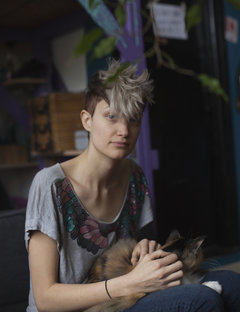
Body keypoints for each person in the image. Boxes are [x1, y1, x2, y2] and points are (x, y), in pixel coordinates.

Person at [25, 59, 240, 312]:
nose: (124, 130)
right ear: (87, 120)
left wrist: (145, 249)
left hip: (125, 298)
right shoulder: (50, 184)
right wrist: (127, 283)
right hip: (80, 308)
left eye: (134, 119)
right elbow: (45, 299)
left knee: (232, 283)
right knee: (203, 299)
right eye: (111, 116)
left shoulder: (134, 176)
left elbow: (139, 250)